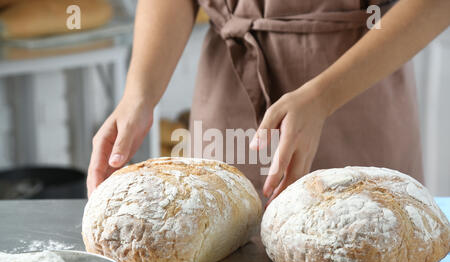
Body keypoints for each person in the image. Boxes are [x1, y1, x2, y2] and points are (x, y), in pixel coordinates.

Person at [87, 0, 450, 204]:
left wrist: (323, 97)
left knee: (364, 257)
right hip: (229, 95)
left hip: (357, 87)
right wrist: (139, 95)